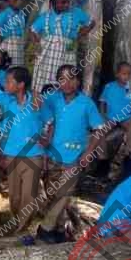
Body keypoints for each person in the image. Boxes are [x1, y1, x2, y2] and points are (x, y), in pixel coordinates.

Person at [37, 65, 104, 243]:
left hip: (73, 158)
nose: (67, 83)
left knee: (64, 194)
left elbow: (99, 129)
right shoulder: (52, 100)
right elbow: (45, 125)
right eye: (62, 79)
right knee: (53, 195)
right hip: (52, 156)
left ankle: (45, 228)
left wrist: (88, 152)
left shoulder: (86, 104)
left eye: (71, 78)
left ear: (78, 81)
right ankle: (59, 229)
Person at [0, 67, 51, 233]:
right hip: (11, 155)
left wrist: (47, 140)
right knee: (14, 196)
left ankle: (23, 228)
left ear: (21, 85)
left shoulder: (37, 103)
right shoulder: (7, 101)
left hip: (33, 155)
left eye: (9, 81)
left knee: (28, 196)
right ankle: (17, 219)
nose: (5, 84)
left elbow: (51, 121)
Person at [31, 0, 95, 92]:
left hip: (67, 54)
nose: (67, 4)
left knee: (65, 79)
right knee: (43, 84)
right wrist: (36, 45)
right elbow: (32, 30)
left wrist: (80, 35)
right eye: (62, 2)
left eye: (68, 1)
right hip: (46, 57)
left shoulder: (76, 13)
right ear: (53, 3)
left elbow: (91, 22)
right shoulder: (45, 16)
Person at [98, 62, 131, 178]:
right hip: (111, 117)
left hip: (127, 117)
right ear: (117, 74)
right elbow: (102, 101)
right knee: (100, 133)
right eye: (124, 73)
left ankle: (129, 161)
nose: (126, 76)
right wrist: (102, 115)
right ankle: (103, 162)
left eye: (129, 74)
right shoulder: (109, 87)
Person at [0, 0, 27, 66]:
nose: (18, 1)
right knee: (8, 65)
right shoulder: (5, 14)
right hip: (8, 43)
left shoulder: (21, 14)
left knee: (17, 65)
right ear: (8, 2)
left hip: (19, 43)